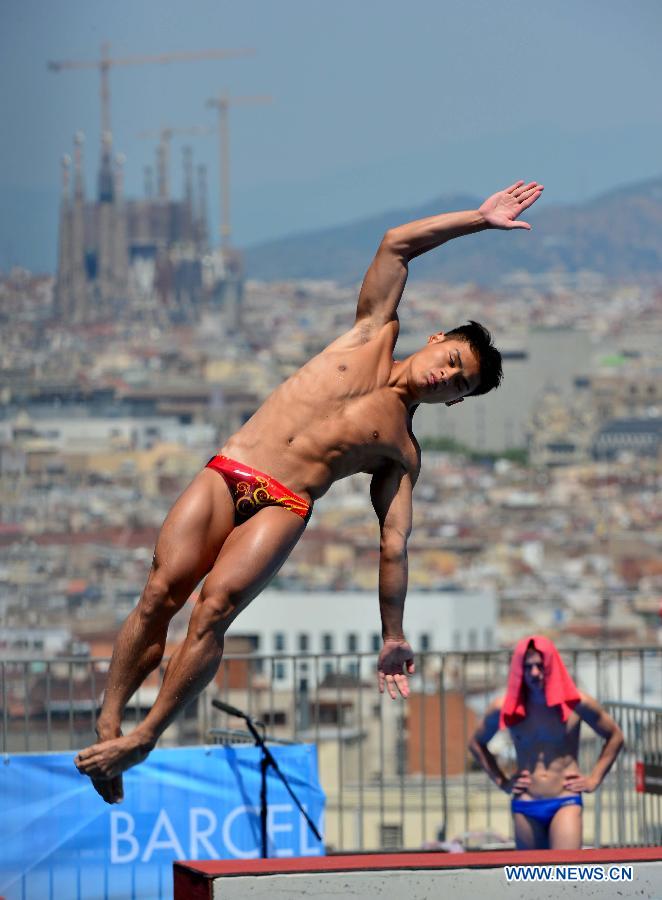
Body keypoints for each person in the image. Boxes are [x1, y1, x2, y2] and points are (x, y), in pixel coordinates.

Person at [75, 179, 543, 803]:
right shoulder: (372, 330)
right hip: (233, 467)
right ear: (437, 340)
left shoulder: (401, 450)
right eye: (453, 358)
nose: (445, 376)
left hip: (285, 504)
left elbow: (395, 544)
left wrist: (393, 633)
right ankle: (110, 720)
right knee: (162, 590)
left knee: (213, 610)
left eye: (457, 383)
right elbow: (396, 245)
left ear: (455, 401)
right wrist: (479, 221)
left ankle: (147, 734)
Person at [469, 635, 624, 850]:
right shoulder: (504, 707)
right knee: (532, 878)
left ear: (552, 666)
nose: (535, 673)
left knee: (564, 874)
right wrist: (502, 781)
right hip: (525, 802)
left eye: (541, 666)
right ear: (519, 670)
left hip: (565, 799)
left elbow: (615, 736)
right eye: (528, 667)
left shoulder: (576, 704)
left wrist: (594, 779)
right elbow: (475, 743)